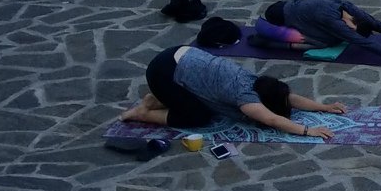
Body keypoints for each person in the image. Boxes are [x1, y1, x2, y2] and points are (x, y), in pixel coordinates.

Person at [121, 45, 346, 139]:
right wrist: (308, 131)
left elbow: (289, 98)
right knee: (198, 117)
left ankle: (158, 99)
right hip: (163, 71)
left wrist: (324, 107)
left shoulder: (257, 82)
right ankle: (143, 113)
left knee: (202, 101)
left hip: (180, 54)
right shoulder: (247, 98)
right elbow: (271, 119)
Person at [251, 0, 381, 65]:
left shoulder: (349, 9)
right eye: (352, 30)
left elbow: (376, 24)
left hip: (297, 9)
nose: (350, 31)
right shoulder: (334, 21)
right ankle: (266, 41)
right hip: (280, 15)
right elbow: (364, 42)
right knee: (325, 42)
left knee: (333, 38)